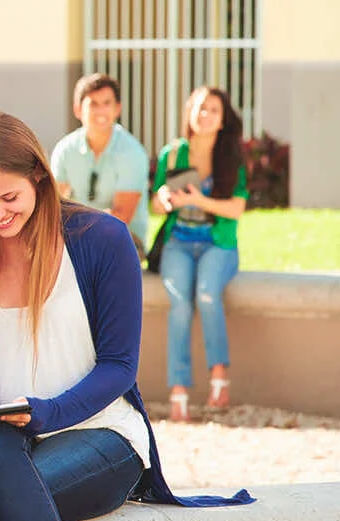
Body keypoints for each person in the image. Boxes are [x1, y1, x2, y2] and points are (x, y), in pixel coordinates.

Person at [0, 111, 253, 521]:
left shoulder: (99, 239)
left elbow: (120, 366)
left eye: (9, 198)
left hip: (99, 432)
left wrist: (45, 412)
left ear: (39, 175)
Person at [152, 86, 247, 421]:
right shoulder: (173, 154)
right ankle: (178, 391)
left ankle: (219, 376)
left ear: (223, 121)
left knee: (207, 294)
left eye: (214, 111)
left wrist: (197, 200)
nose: (206, 115)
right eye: (201, 108)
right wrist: (164, 198)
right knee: (179, 303)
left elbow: (236, 208)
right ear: (189, 111)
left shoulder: (230, 156)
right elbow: (156, 201)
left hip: (217, 245)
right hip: (178, 242)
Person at [49, 73, 152, 256]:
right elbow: (55, 205)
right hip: (77, 235)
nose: (101, 111)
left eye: (107, 103)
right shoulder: (64, 150)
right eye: (93, 104)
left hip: (125, 237)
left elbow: (121, 217)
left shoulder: (132, 152)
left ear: (118, 108)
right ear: (78, 109)